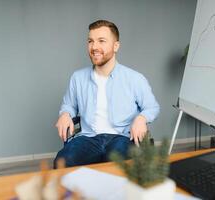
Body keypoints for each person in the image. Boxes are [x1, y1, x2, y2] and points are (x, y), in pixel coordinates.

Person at [54, 20, 160, 168]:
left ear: (116, 46)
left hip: (121, 137)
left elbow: (152, 107)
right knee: (62, 163)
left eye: (101, 41)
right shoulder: (77, 78)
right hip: (88, 137)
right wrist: (65, 113)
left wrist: (142, 118)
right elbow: (69, 104)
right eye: (90, 41)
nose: (94, 47)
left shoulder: (134, 78)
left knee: (116, 167)